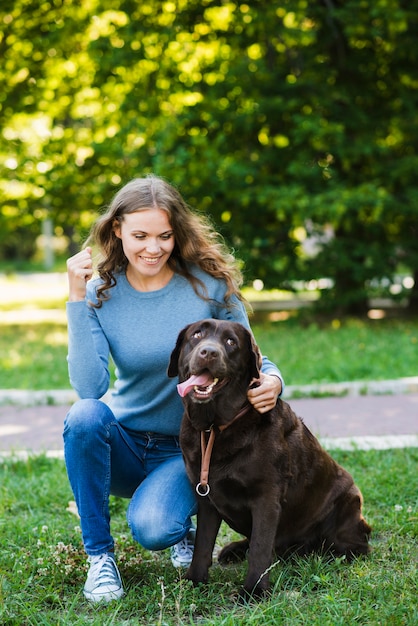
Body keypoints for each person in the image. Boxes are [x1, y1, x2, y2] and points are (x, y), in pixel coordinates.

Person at [64, 174, 284, 603]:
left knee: (154, 530)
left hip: (191, 449)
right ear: (117, 231)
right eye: (140, 235)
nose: (153, 247)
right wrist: (76, 297)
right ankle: (100, 559)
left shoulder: (208, 283)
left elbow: (253, 355)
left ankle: (179, 521)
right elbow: (90, 387)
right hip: (124, 443)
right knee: (84, 417)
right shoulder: (100, 293)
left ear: (177, 232)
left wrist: (274, 380)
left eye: (164, 235)